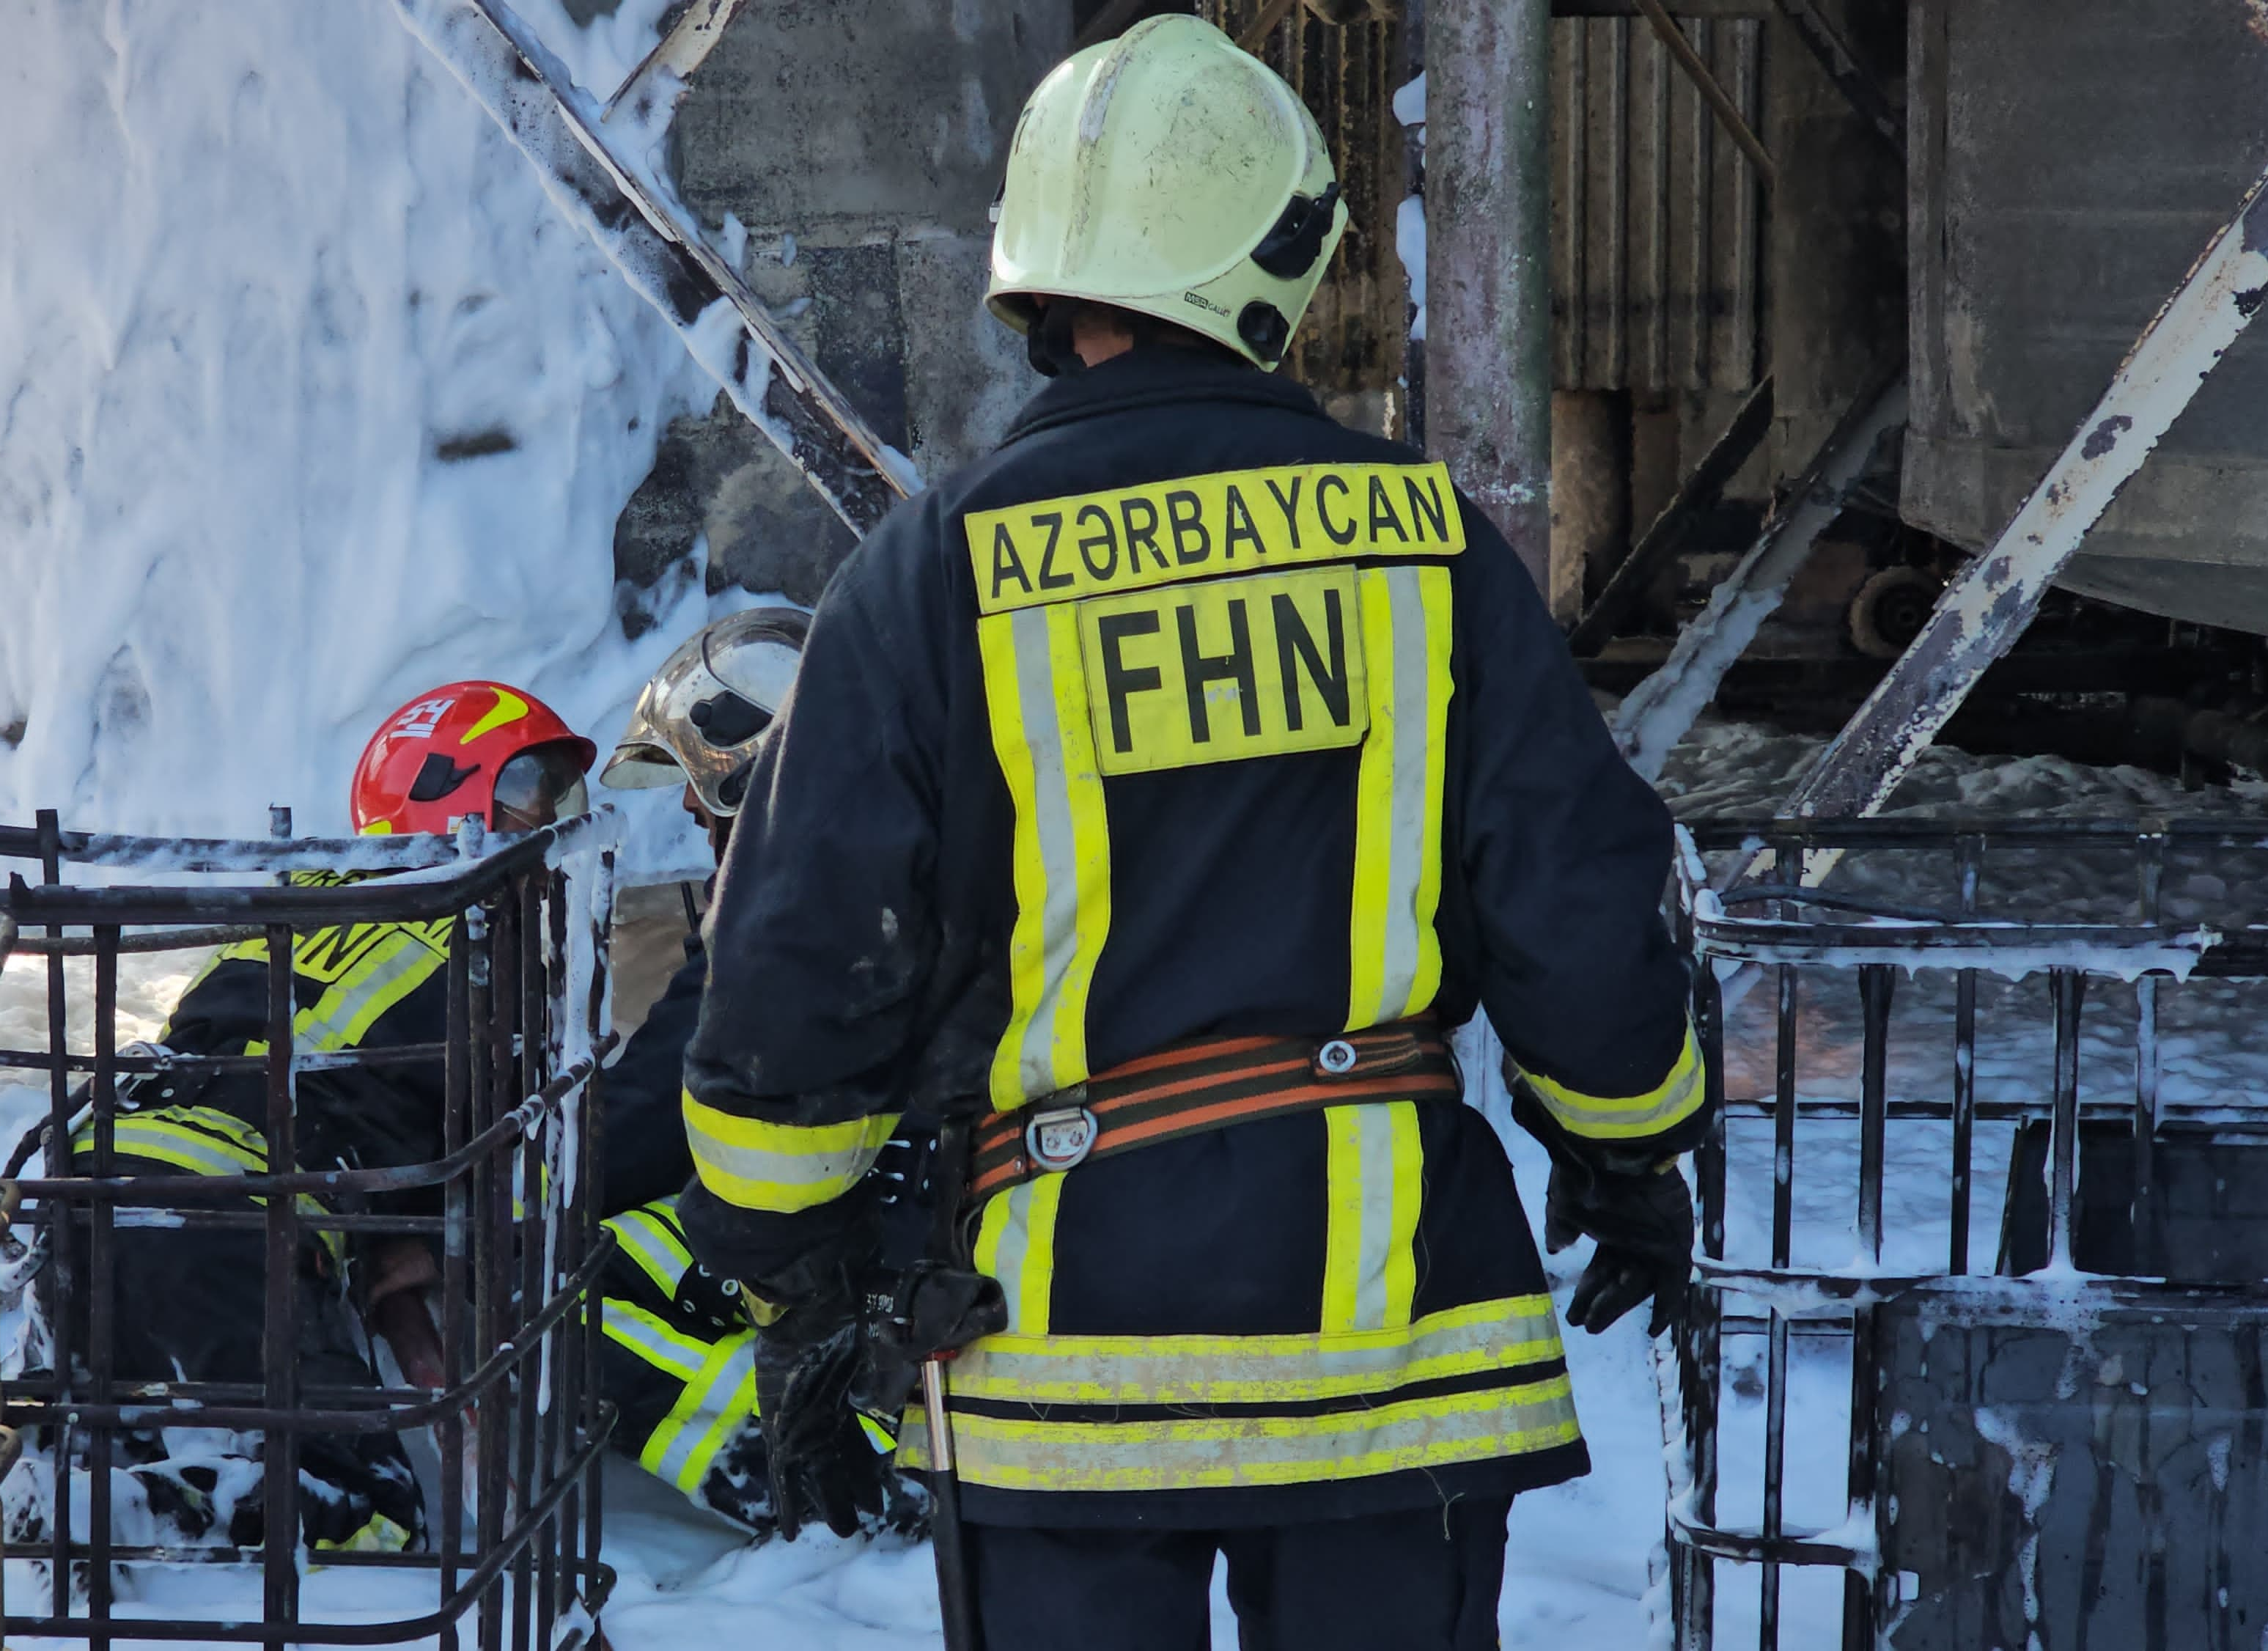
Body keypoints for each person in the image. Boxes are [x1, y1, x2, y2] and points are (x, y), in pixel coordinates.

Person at [673, 15, 1712, 1650]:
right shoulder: (1419, 548)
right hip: (1396, 1370)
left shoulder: (929, 574)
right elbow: (1574, 903)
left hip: (1053, 1371)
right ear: (1270, 257)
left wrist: (787, 1272)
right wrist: (1632, 1146)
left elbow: (802, 966)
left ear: (1041, 273)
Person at [37, 680, 601, 1555]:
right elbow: (506, 1153)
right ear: (451, 797)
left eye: (561, 791)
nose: (555, 817)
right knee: (361, 1513)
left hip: (87, 1177)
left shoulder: (306, 887)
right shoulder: (490, 945)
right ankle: (119, 1512)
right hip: (232, 1220)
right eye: (531, 788)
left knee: (130, 1428)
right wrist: (416, 1236)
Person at [589, 608, 918, 1536]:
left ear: (754, 758)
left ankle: (831, 1497)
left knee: (557, 1283)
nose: (691, 807)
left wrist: (474, 1198)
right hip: (924, 1225)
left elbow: (638, 1127)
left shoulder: (788, 902)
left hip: (870, 1255)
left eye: (700, 778)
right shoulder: (914, 852)